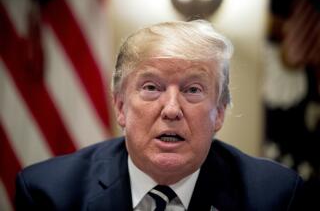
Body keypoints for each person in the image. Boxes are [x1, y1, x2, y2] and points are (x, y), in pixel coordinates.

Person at [15, 20, 304, 211]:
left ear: (219, 112)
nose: (171, 109)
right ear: (120, 107)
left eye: (193, 90)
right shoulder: (48, 194)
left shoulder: (275, 197)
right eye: (152, 87)